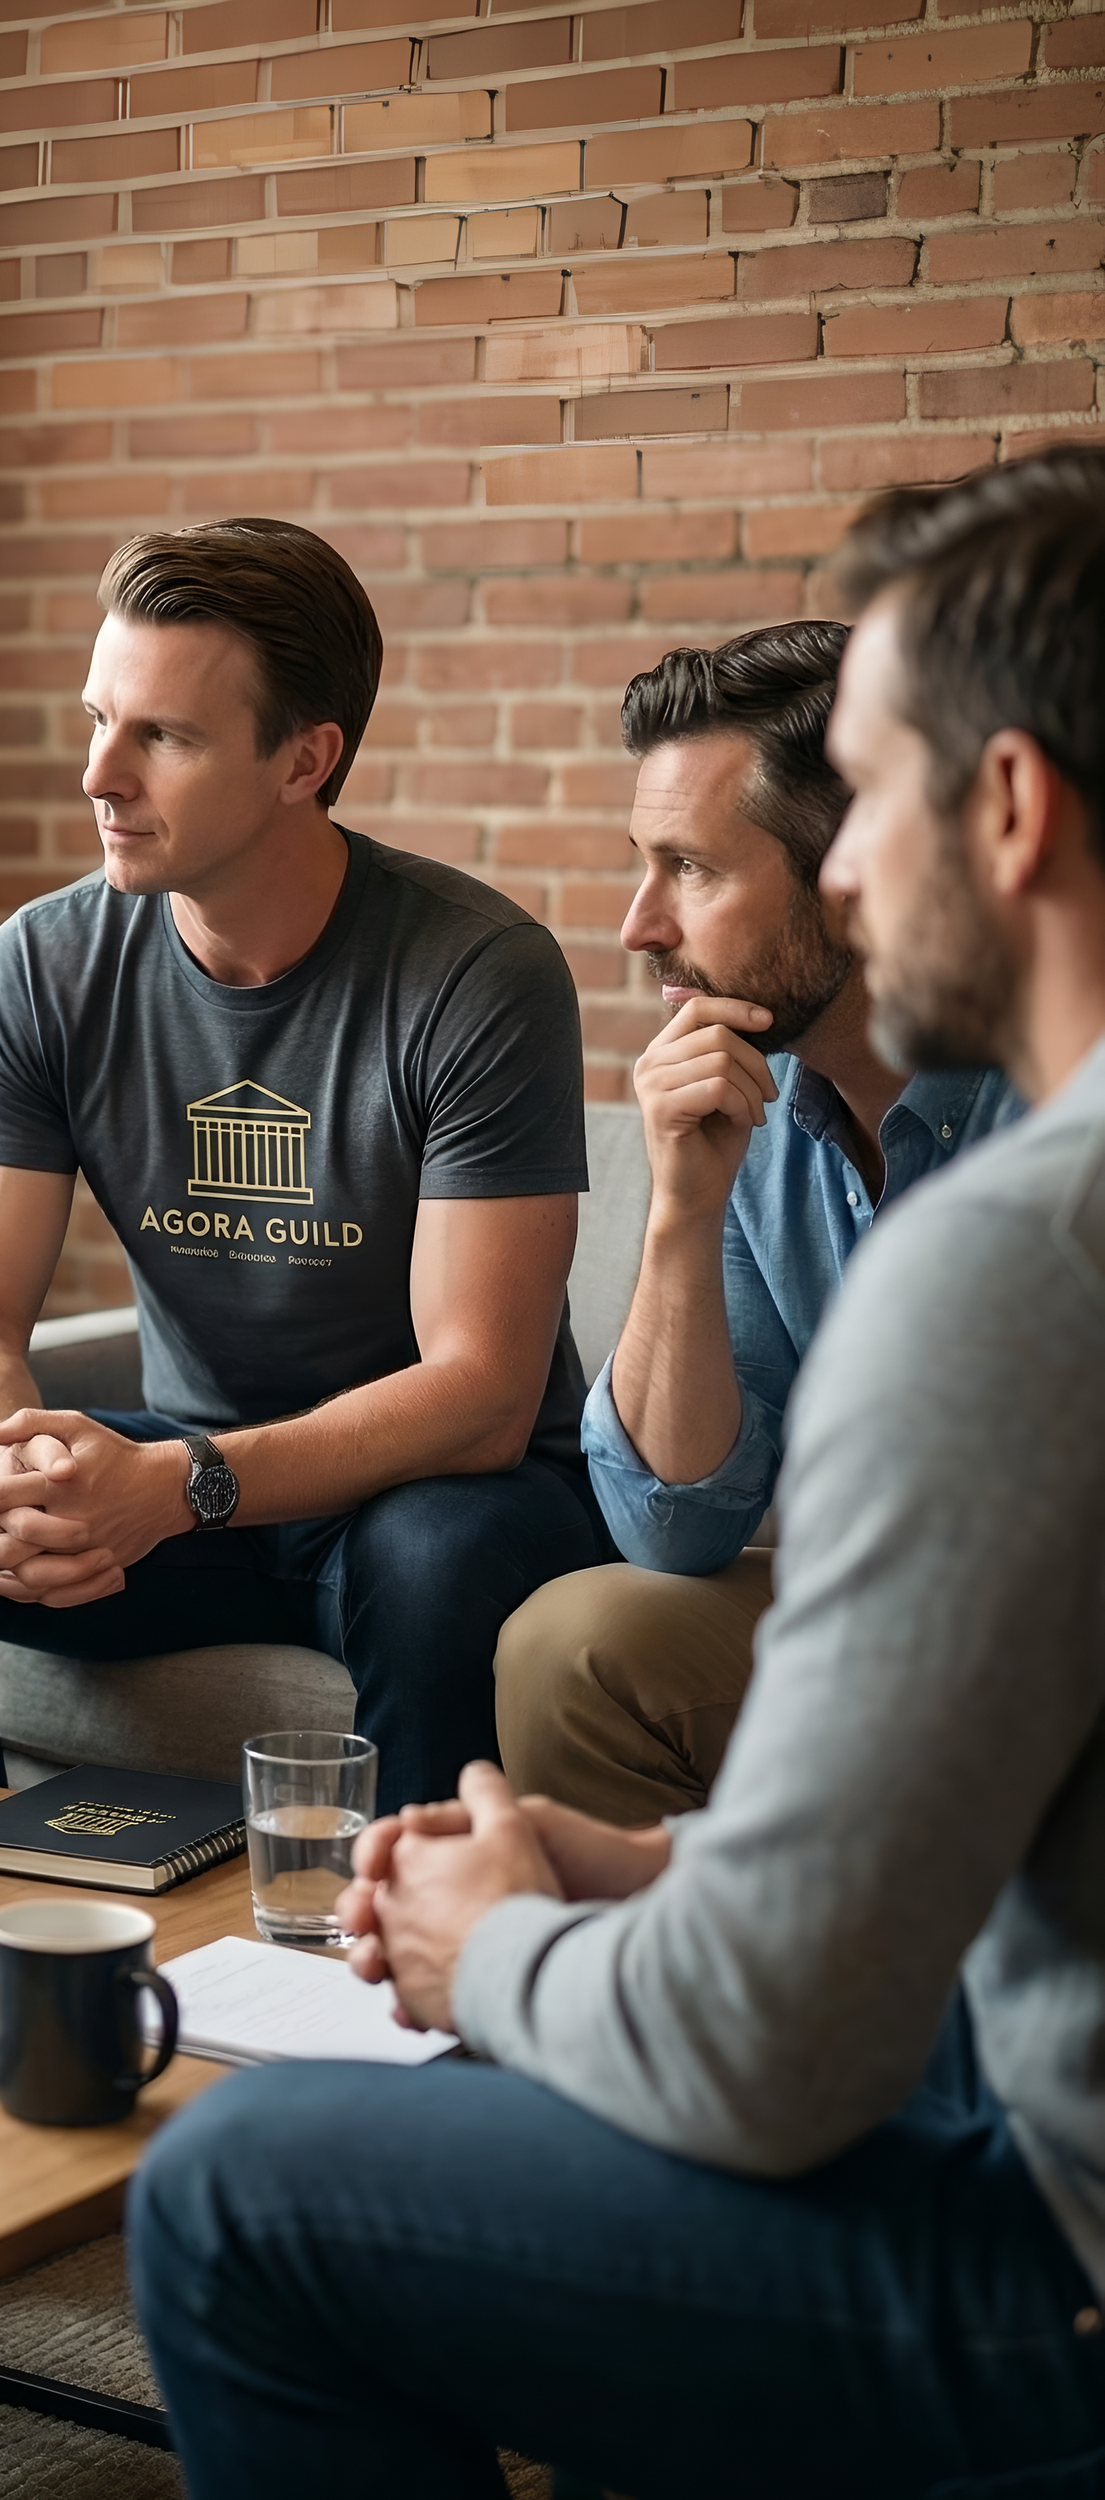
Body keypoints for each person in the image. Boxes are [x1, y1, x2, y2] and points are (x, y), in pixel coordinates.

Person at [128, 448, 1105, 2497]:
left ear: (1002, 810)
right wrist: (651, 1873)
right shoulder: (863, 1166)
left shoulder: (1021, 1244)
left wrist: (489, 1944)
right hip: (980, 2025)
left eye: (872, 799)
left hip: (1061, 2253)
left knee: (230, 2187)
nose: (838, 878)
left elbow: (773, 2049)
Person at [0, 518, 608, 1814]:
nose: (99, 775)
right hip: (189, 1478)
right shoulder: (46, 964)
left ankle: (401, 1966)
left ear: (307, 758)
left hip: (445, 1498)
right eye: (97, 720)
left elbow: (481, 1394)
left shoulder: (474, 973)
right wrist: (21, 1477)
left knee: (436, 1556)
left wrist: (179, 1485)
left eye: (160, 737)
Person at [494, 624, 1016, 1823]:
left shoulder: (1050, 1089)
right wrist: (681, 1210)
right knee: (573, 1647)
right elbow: (671, 1525)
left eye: (692, 868)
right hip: (887, 1612)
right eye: (642, 862)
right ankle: (674, 2004)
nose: (637, 925)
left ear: (855, 873)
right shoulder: (757, 1112)